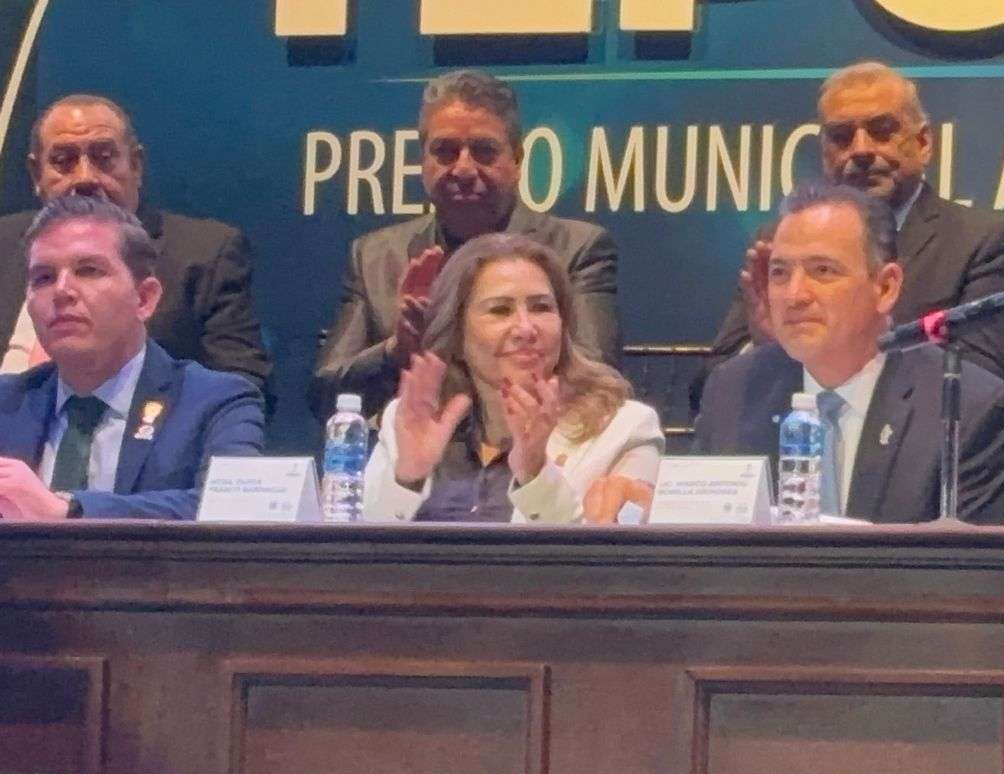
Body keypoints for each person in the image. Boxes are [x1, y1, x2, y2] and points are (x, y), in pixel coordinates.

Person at [695, 182, 1004, 525]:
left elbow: (981, 560)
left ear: (885, 287)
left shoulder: (970, 411)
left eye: (823, 271)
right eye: (780, 273)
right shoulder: (732, 392)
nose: (795, 295)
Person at [312, 69, 619, 420]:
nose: (463, 168)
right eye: (445, 151)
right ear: (422, 161)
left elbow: (597, 386)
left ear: (518, 160)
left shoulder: (576, 249)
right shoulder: (375, 257)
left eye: (484, 151)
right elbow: (325, 398)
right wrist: (397, 351)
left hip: (535, 444)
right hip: (413, 447)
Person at [703, 61, 1004, 388]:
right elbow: (708, 387)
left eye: (882, 131)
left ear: (924, 143)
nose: (861, 150)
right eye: (842, 137)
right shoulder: (782, 242)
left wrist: (836, 354)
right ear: (824, 151)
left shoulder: (982, 243)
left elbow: (983, 383)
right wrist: (770, 348)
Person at [363, 232, 660, 524]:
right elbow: (363, 547)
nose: (525, 329)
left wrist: (535, 473)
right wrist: (408, 479)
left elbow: (607, 552)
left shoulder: (624, 429)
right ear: (457, 334)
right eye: (500, 310)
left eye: (541, 307)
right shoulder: (407, 421)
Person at [0, 196, 264, 520]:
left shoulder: (217, 402)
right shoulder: (7, 403)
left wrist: (70, 509)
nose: (62, 291)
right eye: (43, 278)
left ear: (144, 299)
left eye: (88, 270)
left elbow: (231, 508)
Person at [0, 95, 274, 401]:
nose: (85, 177)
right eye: (64, 162)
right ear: (36, 174)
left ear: (136, 165)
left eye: (104, 158)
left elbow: (242, 383)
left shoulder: (203, 254)